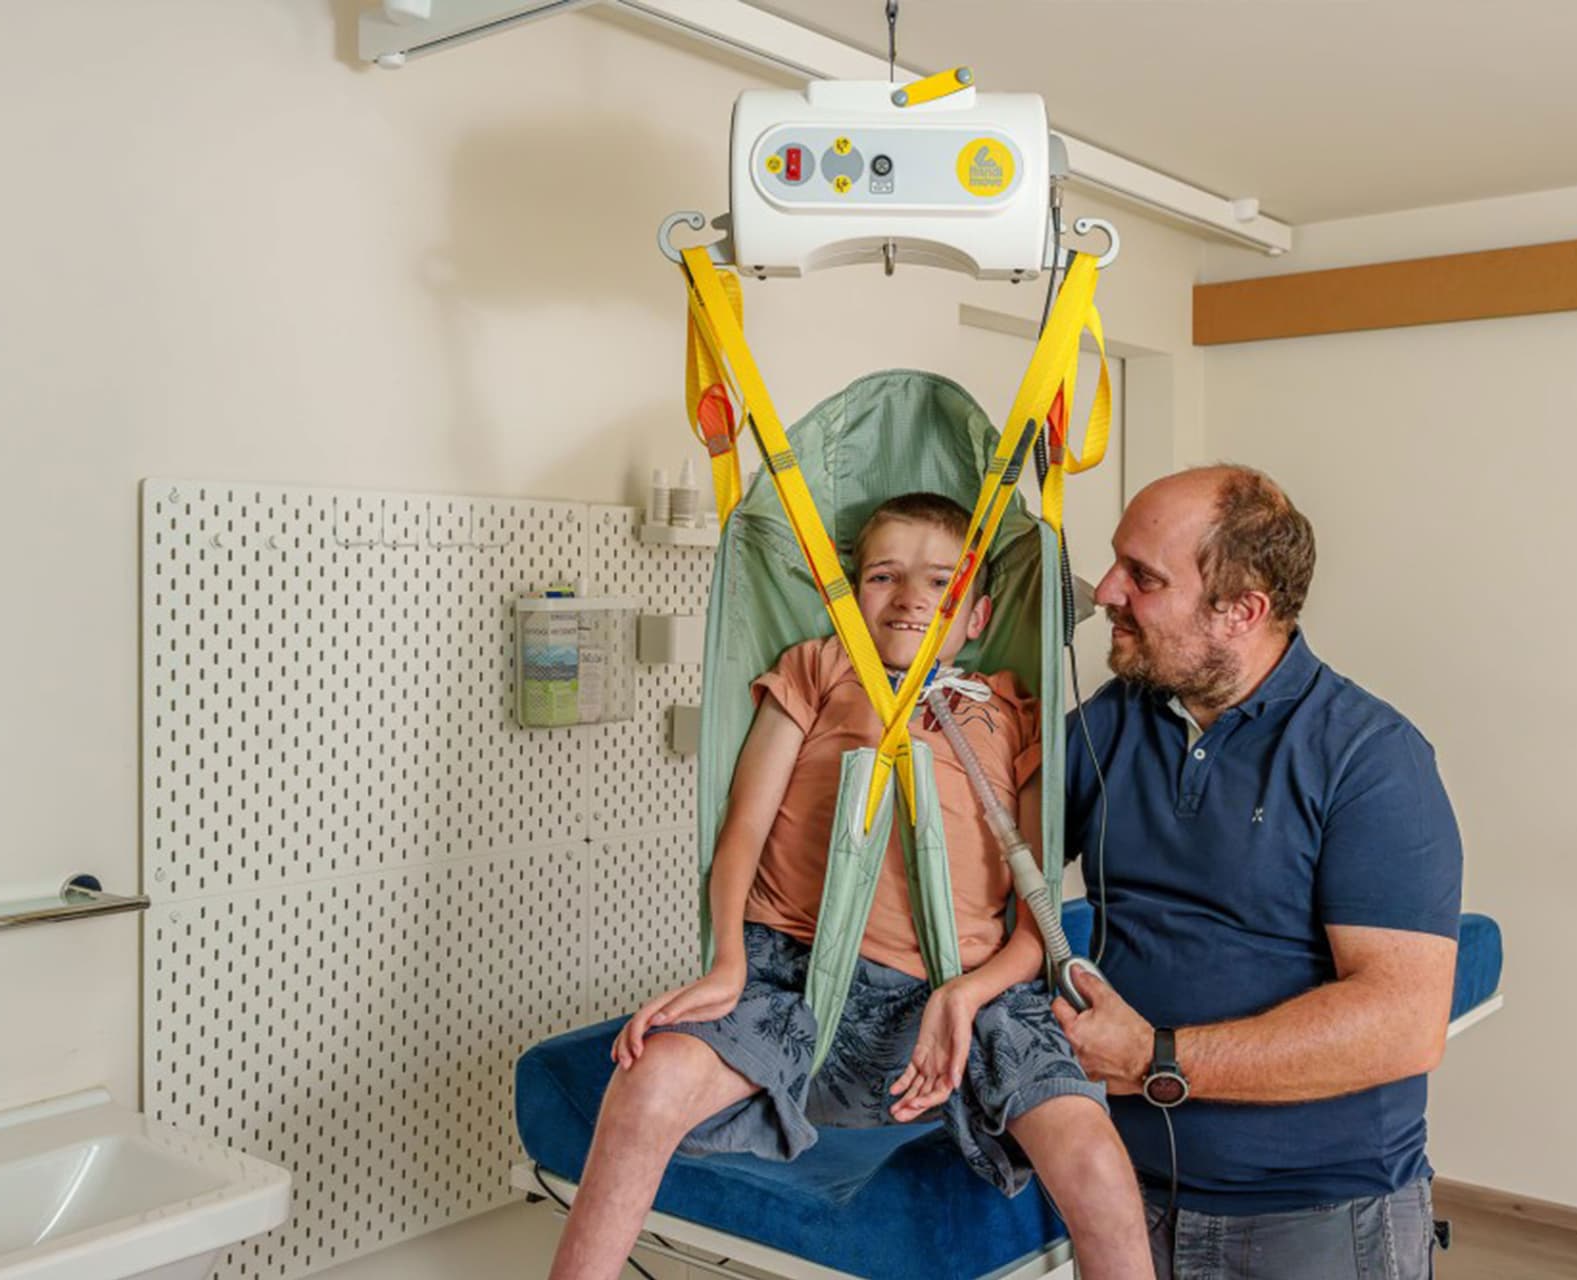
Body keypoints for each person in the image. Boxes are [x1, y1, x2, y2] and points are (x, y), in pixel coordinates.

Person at [548, 492, 1151, 1280]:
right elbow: (741, 834)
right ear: (848, 596)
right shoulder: (818, 671)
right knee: (647, 1085)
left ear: (978, 616)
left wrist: (968, 994)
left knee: (1097, 1160)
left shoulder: (1013, 711)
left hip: (969, 995)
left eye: (941, 583)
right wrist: (727, 961)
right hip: (796, 982)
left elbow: (1037, 919)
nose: (910, 599)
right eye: (882, 577)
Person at [1053, 465, 1463, 1280]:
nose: (1106, 591)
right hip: (1128, 1202)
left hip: (1316, 1218)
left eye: (1143, 576)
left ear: (1241, 611)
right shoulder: (1116, 719)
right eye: (1116, 562)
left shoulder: (1370, 758)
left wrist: (1155, 1058)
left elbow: (1404, 1021)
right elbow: (988, 851)